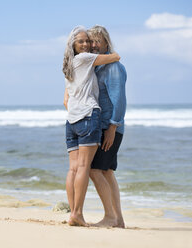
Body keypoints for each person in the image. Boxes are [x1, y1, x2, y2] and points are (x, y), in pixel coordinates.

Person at [64, 25, 127, 228]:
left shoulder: (111, 67)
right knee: (104, 171)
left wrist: (112, 127)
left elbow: (120, 100)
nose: (92, 45)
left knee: (96, 170)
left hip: (108, 125)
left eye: (97, 41)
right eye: (91, 41)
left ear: (106, 42)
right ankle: (117, 219)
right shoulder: (92, 65)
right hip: (95, 123)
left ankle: (110, 217)